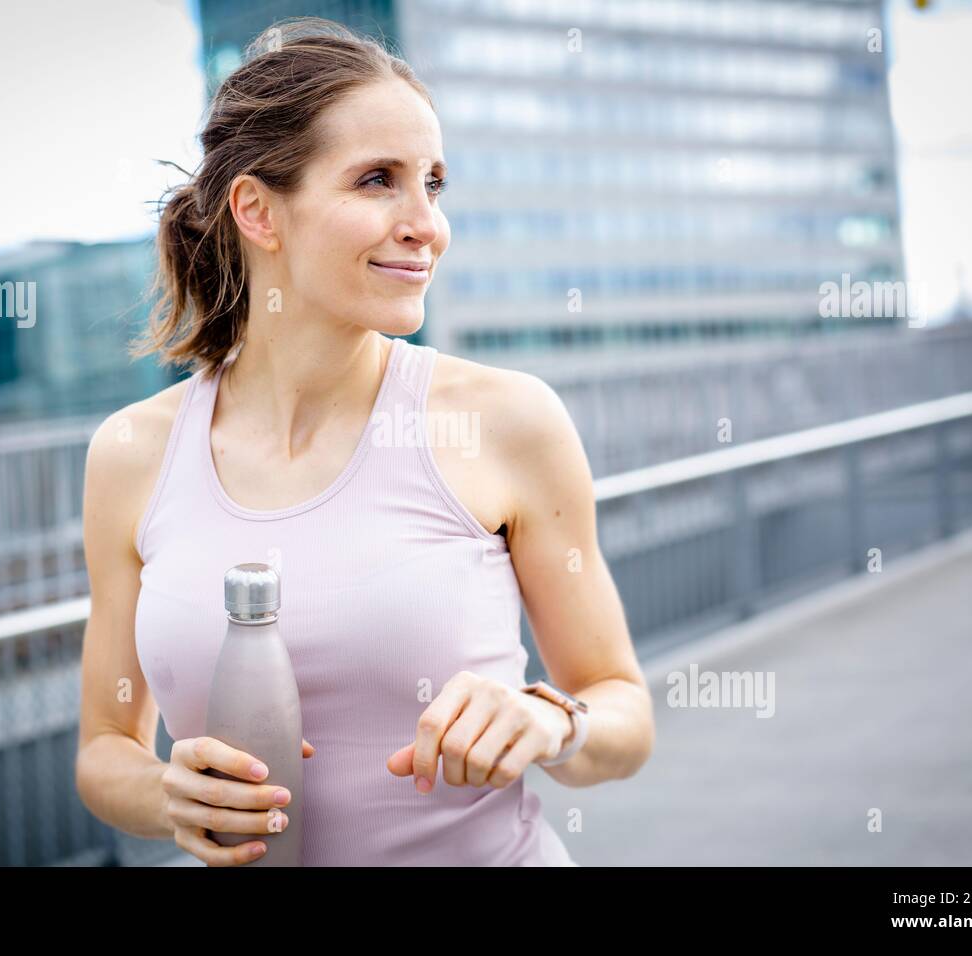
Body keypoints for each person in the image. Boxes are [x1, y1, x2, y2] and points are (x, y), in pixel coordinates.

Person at [75, 16, 653, 867]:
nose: (428, 225)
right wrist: (168, 796)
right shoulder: (131, 455)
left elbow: (623, 713)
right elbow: (102, 748)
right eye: (378, 181)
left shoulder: (508, 420)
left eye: (434, 183)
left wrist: (548, 720)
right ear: (258, 212)